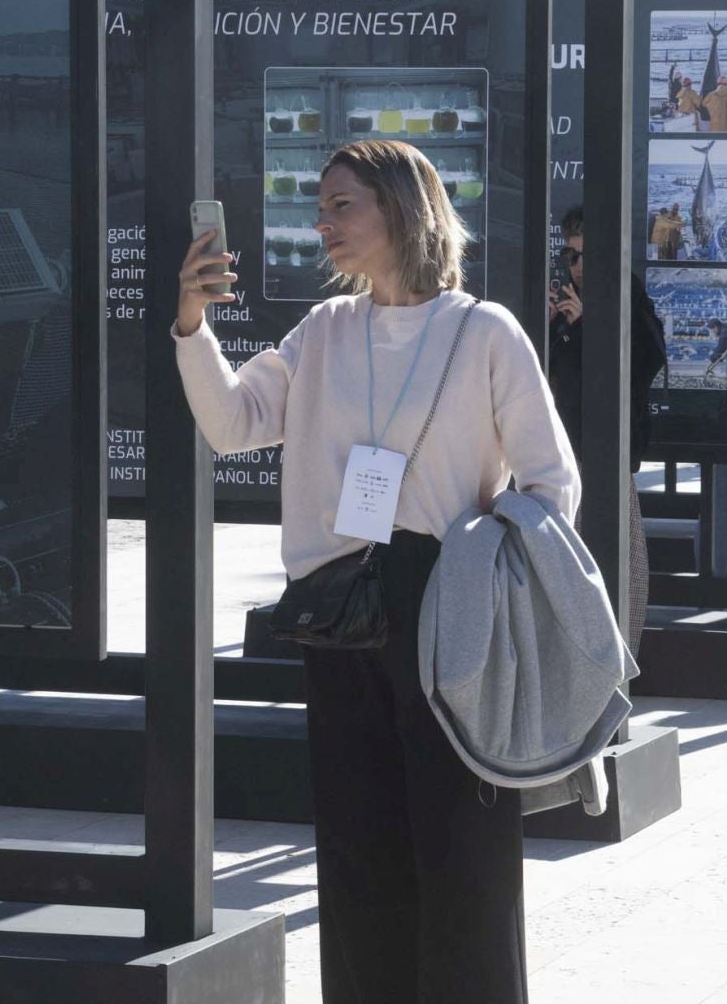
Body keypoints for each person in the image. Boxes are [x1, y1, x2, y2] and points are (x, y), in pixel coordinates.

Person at [173, 140, 576, 1003]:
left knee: (464, 854)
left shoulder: (484, 331)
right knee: (357, 851)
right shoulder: (324, 331)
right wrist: (192, 326)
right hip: (339, 607)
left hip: (450, 603)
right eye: (320, 207)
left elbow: (552, 485)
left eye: (340, 205)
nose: (322, 223)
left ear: (399, 208)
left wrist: (487, 572)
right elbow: (233, 423)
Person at [548, 206, 663, 648]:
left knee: (620, 557)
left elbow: (638, 368)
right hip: (562, 451)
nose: (577, 268)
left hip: (606, 453)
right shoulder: (565, 300)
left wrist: (583, 328)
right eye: (570, 256)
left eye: (585, 256)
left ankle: (618, 652)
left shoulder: (626, 296)